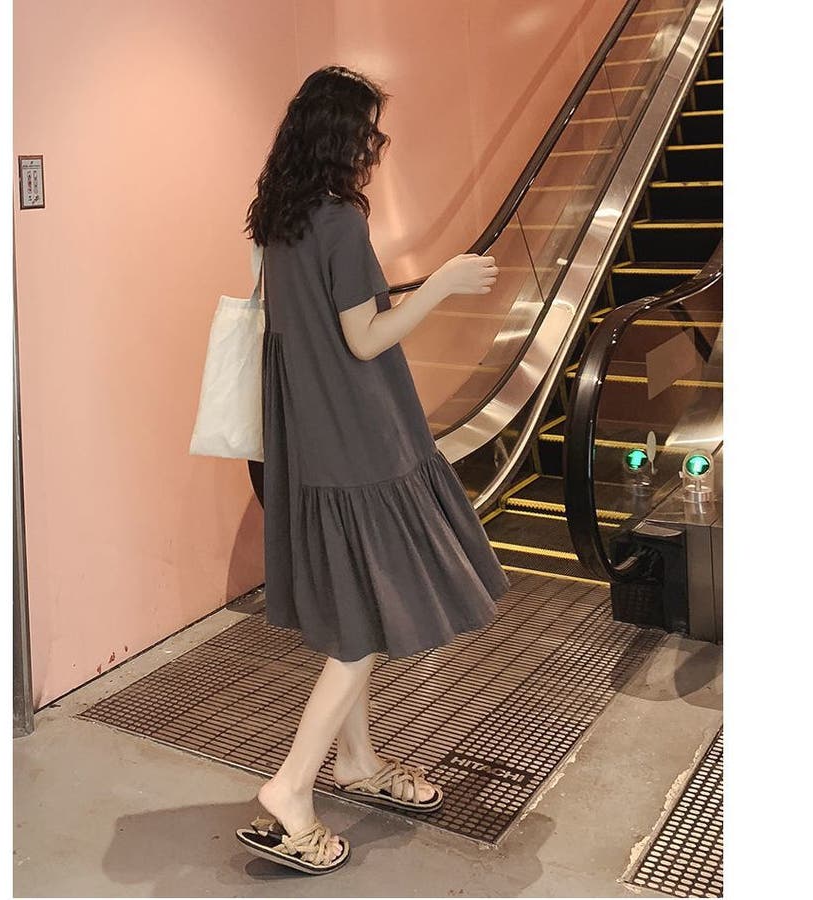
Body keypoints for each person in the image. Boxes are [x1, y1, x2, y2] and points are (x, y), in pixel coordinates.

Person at [234, 65, 511, 875]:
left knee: (351, 607)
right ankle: (291, 787)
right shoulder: (339, 223)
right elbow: (365, 340)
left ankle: (356, 762)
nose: (373, 149)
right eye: (368, 134)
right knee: (364, 627)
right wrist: (445, 284)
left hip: (310, 442)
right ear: (345, 138)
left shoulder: (276, 220)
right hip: (361, 439)